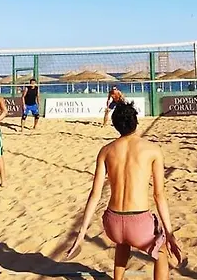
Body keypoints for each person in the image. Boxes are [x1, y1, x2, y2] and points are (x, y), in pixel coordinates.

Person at [66, 101, 181, 280]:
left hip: (112, 224)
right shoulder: (152, 150)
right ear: (136, 121)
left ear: (115, 125)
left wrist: (82, 233)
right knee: (161, 251)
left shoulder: (106, 151)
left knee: (122, 242)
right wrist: (170, 233)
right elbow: (159, 196)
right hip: (139, 223)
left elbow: (95, 194)